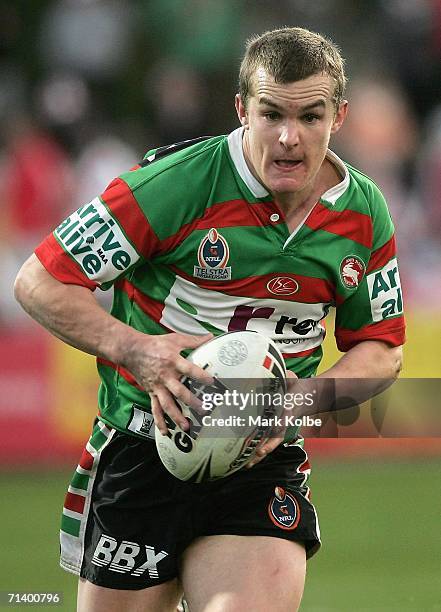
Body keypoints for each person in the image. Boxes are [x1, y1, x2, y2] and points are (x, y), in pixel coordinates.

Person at [14, 27, 405, 612]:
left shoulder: (363, 213)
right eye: (271, 114)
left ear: (339, 117)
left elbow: (382, 346)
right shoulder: (175, 184)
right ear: (242, 108)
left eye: (311, 117)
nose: (290, 138)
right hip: (144, 448)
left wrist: (297, 400)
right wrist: (136, 350)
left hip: (258, 456)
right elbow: (39, 280)